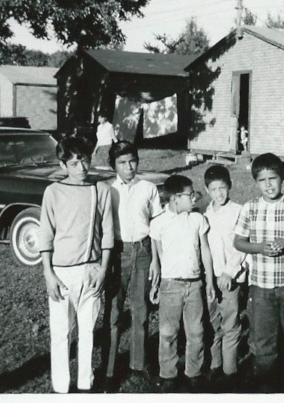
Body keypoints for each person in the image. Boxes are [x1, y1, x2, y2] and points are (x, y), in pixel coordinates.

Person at [234, 153, 284, 391]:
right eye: (262, 180)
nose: (268, 184)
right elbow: (239, 242)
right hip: (261, 286)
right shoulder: (250, 208)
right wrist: (260, 247)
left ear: (282, 178)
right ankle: (266, 387)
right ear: (256, 182)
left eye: (273, 178)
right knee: (263, 342)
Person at [38, 136, 114, 393]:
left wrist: (102, 269)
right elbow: (46, 235)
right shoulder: (53, 192)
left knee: (88, 331)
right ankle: (61, 387)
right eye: (74, 163)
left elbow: (107, 234)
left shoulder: (100, 190)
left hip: (91, 270)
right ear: (63, 165)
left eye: (85, 161)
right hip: (61, 274)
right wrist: (48, 273)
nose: (81, 168)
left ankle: (85, 384)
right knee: (60, 333)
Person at [102, 141, 163, 392]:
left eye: (132, 161)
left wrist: (157, 261)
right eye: (122, 163)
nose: (129, 167)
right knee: (114, 312)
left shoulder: (148, 188)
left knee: (140, 309)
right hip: (118, 253)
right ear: (113, 165)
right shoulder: (107, 190)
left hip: (143, 251)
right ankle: (108, 369)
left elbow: (157, 225)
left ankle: (139, 364)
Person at [149, 175, 215, 392]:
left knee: (196, 331)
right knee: (168, 332)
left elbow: (205, 251)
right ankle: (168, 373)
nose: (194, 197)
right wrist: (156, 282)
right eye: (190, 194)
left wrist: (209, 281)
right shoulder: (159, 222)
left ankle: (193, 372)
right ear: (176, 198)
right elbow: (157, 256)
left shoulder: (197, 219)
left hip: (194, 285)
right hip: (171, 286)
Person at [203, 165, 246, 387]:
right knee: (212, 323)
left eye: (222, 187)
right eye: (213, 189)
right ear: (207, 190)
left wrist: (229, 271)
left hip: (230, 276)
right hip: (211, 277)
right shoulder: (205, 214)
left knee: (230, 324)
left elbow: (241, 245)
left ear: (229, 186)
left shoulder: (239, 211)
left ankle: (230, 371)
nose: (219, 193)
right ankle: (214, 365)